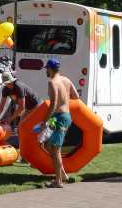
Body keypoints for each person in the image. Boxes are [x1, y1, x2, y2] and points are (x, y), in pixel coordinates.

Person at [41, 58, 79, 188]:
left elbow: (53, 104)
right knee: (49, 146)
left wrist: (44, 121)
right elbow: (76, 96)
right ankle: (62, 175)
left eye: (46, 68)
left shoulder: (52, 82)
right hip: (63, 116)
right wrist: (65, 100)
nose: (46, 71)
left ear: (50, 69)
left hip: (59, 118)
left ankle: (58, 182)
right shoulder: (66, 80)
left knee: (56, 149)